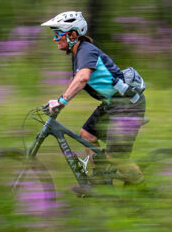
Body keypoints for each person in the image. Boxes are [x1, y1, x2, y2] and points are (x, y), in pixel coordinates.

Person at [40, 10, 147, 185]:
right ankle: (100, 182)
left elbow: (83, 78)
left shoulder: (85, 51)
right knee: (87, 135)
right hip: (113, 103)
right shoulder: (78, 53)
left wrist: (62, 102)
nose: (55, 38)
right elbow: (76, 79)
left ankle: (142, 190)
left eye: (58, 33)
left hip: (128, 105)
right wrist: (57, 100)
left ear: (73, 34)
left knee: (116, 157)